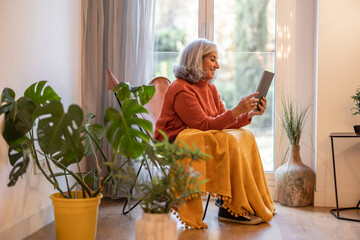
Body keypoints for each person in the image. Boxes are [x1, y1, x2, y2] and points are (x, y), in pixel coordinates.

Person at [155, 38, 275, 229]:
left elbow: (222, 121)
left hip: (198, 135)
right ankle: (230, 208)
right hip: (175, 140)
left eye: (217, 60)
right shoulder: (180, 88)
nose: (217, 65)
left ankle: (232, 204)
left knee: (246, 135)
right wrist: (236, 111)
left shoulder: (209, 87)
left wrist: (249, 113)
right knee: (228, 141)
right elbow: (203, 124)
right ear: (196, 59)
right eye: (213, 59)